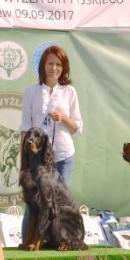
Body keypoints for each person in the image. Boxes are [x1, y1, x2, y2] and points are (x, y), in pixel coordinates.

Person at [18, 45, 84, 242]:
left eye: (58, 64)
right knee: (33, 204)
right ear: (43, 66)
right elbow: (25, 127)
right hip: (36, 161)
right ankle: (27, 243)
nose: (53, 68)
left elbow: (77, 128)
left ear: (64, 68)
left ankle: (59, 243)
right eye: (50, 64)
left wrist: (63, 118)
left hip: (63, 157)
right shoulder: (31, 92)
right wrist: (25, 159)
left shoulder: (69, 92)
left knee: (58, 204)